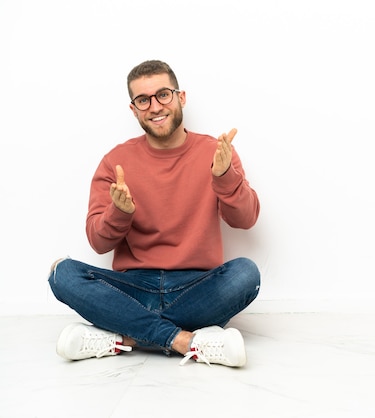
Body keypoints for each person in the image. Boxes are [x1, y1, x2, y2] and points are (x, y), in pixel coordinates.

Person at [48, 60, 261, 367]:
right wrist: (119, 213)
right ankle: (185, 340)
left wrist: (225, 176)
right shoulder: (116, 161)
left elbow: (246, 219)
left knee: (246, 274)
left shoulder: (216, 152)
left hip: (196, 288)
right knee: (62, 273)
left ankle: (125, 336)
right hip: (133, 288)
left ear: (181, 97)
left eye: (163, 94)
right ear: (134, 109)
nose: (155, 106)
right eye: (143, 100)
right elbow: (98, 242)